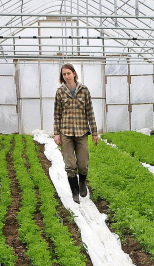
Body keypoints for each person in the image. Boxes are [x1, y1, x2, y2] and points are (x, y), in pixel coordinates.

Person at [53, 63, 99, 204]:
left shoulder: (84, 90)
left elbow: (90, 112)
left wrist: (95, 133)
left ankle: (82, 184)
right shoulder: (60, 92)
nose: (66, 76)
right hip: (66, 132)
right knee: (70, 165)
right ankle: (74, 192)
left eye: (68, 73)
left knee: (83, 163)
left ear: (74, 73)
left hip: (81, 132)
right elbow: (57, 114)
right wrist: (56, 133)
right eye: (64, 74)